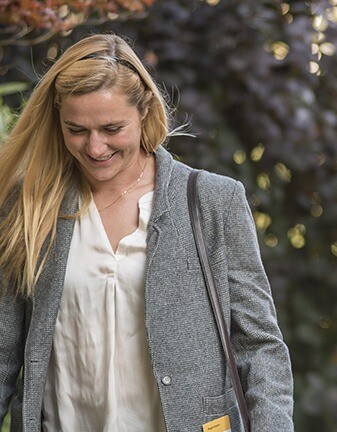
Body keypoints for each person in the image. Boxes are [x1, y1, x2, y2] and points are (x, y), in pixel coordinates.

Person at [0, 34, 294, 431]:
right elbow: (3, 351)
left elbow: (259, 347)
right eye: (76, 130)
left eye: (111, 128)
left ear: (145, 112)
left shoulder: (211, 201)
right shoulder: (31, 207)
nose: (95, 147)